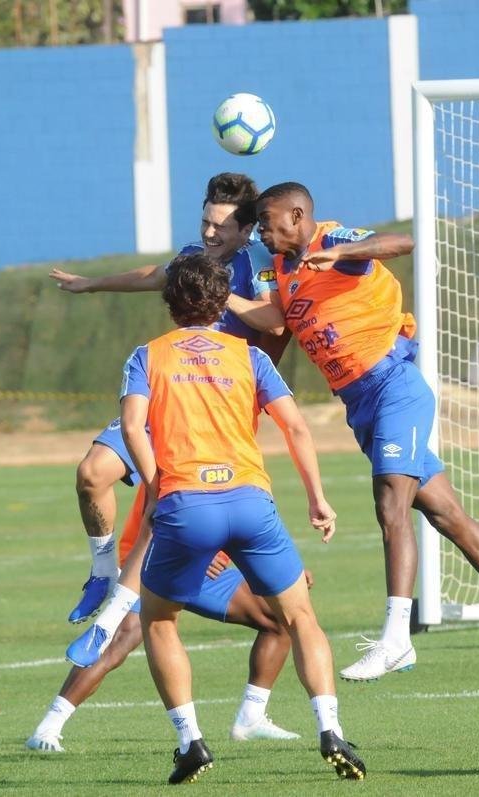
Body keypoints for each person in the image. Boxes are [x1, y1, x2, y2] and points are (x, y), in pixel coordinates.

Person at [244, 181, 479, 682]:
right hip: (360, 404)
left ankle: (396, 639)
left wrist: (344, 252)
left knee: (391, 503)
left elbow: (402, 243)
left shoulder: (332, 242)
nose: (262, 230)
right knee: (445, 513)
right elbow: (279, 328)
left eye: (267, 220)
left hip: (395, 385)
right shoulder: (283, 271)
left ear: (297, 214)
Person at [115, 252, 365, 784]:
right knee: (301, 617)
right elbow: (295, 428)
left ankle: (191, 742)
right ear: (219, 301)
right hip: (251, 501)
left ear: (170, 303)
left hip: (186, 506)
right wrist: (317, 497)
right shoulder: (250, 356)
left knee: (158, 620)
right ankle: (331, 730)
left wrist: (158, 486)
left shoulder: (147, 356)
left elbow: (133, 427)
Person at [48, 173, 285, 624]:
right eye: (205, 222)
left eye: (221, 226)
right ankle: (102, 573)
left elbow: (274, 320)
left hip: (211, 415)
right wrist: (91, 283)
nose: (210, 232)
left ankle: (120, 621)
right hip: (167, 389)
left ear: (245, 230)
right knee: (92, 473)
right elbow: (153, 276)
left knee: (164, 517)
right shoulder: (193, 256)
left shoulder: (257, 261)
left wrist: (220, 292)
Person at [25, 488, 308, 753]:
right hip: (151, 562)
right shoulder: (174, 453)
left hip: (202, 569)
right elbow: (157, 514)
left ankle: (251, 718)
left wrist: (283, 573)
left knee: (278, 618)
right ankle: (48, 727)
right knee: (122, 637)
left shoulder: (232, 453)